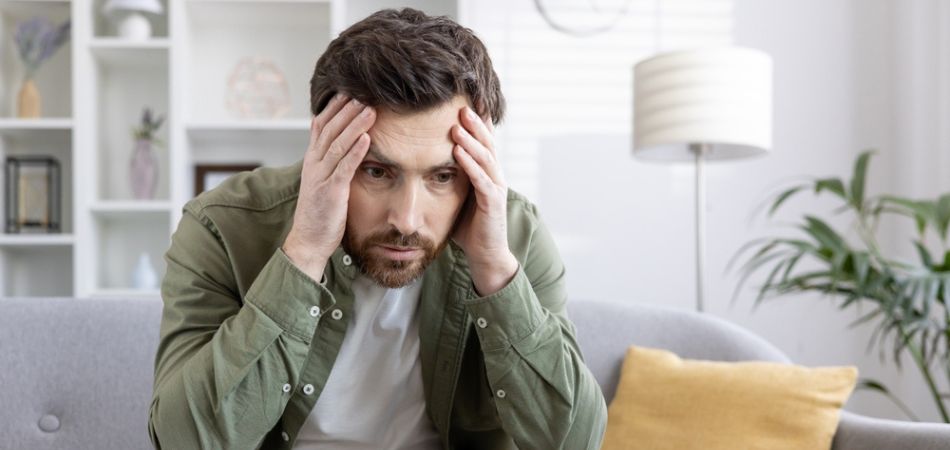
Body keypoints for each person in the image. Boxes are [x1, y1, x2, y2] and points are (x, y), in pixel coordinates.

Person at [148, 8, 607, 450]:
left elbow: (574, 442)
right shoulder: (221, 226)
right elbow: (185, 442)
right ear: (325, 141)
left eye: (443, 177)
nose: (406, 221)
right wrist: (304, 252)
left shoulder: (514, 234)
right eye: (376, 171)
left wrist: (496, 273)